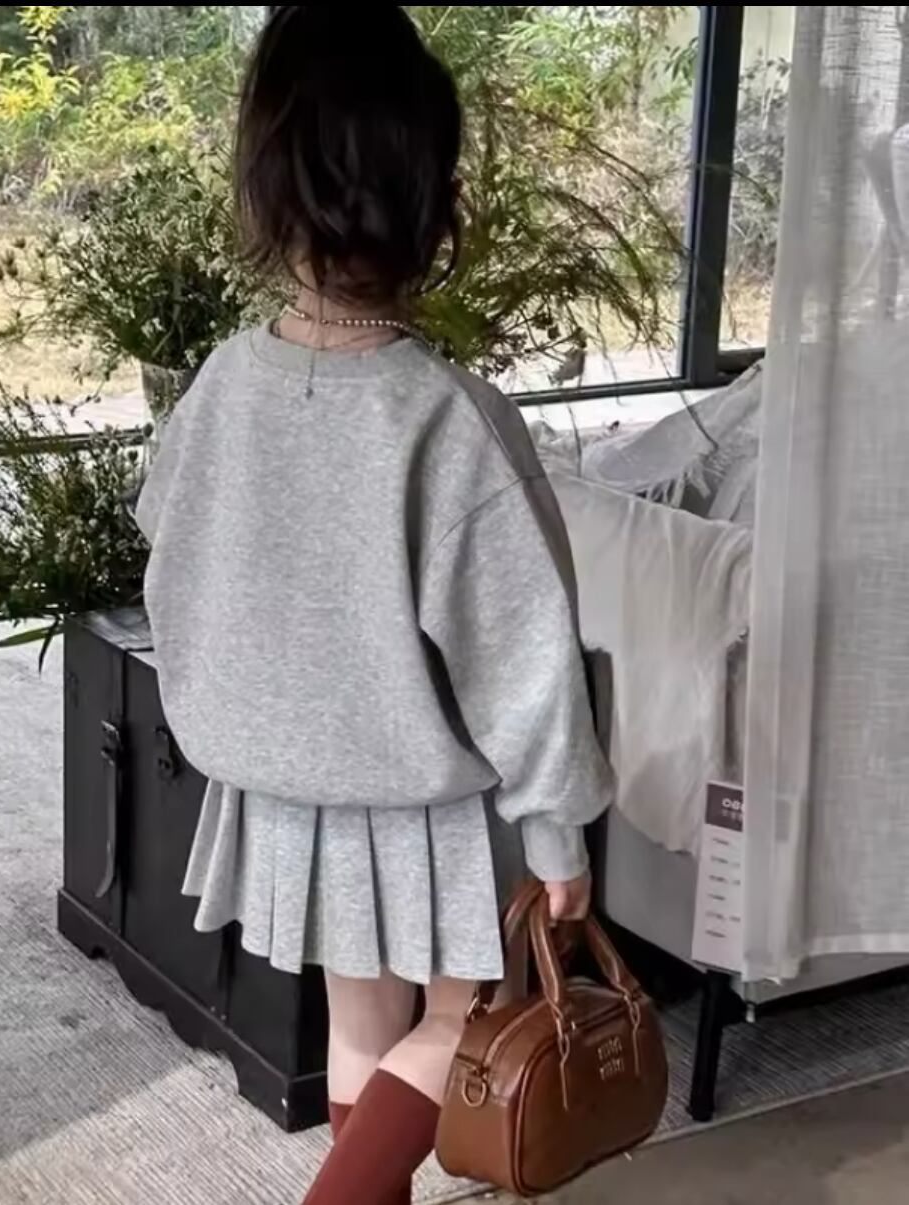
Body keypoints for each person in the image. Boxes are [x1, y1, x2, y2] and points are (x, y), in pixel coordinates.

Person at [135, 7, 614, 1202]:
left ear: (264, 190)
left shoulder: (219, 387)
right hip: (432, 799)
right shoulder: (447, 418)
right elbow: (525, 656)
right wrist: (556, 830)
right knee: (459, 1022)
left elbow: (169, 556)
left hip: (287, 787)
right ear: (434, 205)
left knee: (362, 1031)